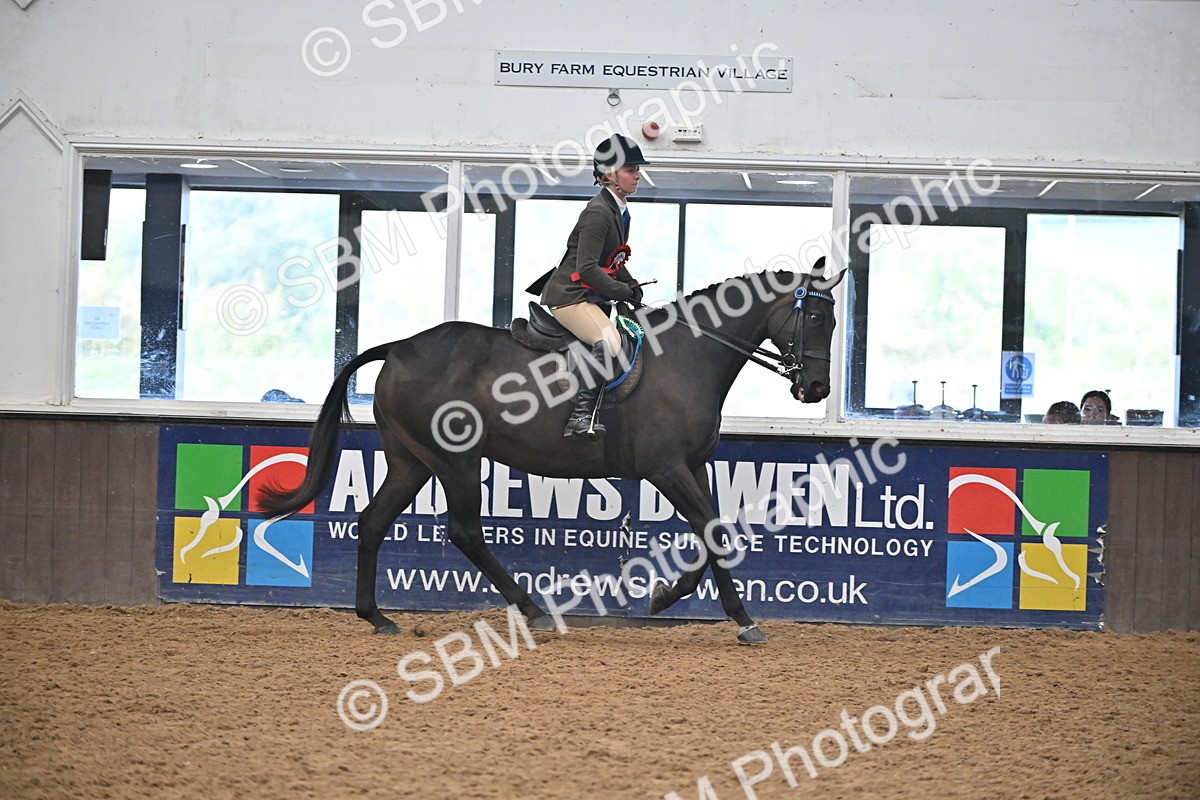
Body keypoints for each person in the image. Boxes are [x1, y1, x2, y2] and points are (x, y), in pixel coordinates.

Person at [537, 134, 649, 438]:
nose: (637, 175)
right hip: (569, 297)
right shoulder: (599, 212)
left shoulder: (620, 210)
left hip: (587, 295)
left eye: (638, 169)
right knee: (610, 342)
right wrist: (621, 292)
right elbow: (586, 266)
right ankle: (581, 415)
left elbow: (612, 261)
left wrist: (631, 284)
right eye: (630, 170)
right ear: (610, 174)